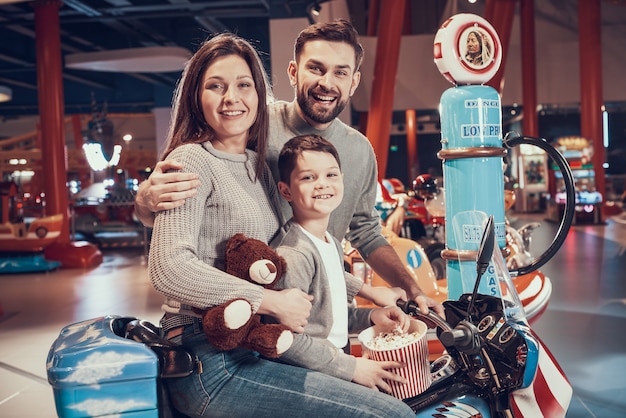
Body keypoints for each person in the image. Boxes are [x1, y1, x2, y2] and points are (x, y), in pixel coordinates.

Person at [147, 32, 416, 417]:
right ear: (196, 96)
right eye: (215, 86)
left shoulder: (258, 166)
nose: (231, 98)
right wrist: (271, 301)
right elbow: (168, 269)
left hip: (252, 344)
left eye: (244, 85)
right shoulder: (192, 161)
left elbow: (282, 262)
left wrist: (369, 293)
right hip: (208, 355)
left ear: (259, 95)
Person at [135, 19, 444, 318]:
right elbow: (191, 196)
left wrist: (411, 290)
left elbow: (366, 232)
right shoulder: (253, 126)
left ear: (354, 82)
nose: (327, 82)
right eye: (316, 68)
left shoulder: (360, 150)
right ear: (294, 72)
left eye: (340, 72)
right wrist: (145, 202)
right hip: (255, 309)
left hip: (320, 299)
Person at [271, 133, 417, 392]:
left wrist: (373, 316)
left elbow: (331, 318)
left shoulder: (331, 242)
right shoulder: (295, 253)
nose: (322, 184)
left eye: (331, 175)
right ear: (286, 190)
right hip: (311, 377)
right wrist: (352, 368)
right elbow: (289, 339)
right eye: (308, 177)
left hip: (335, 364)